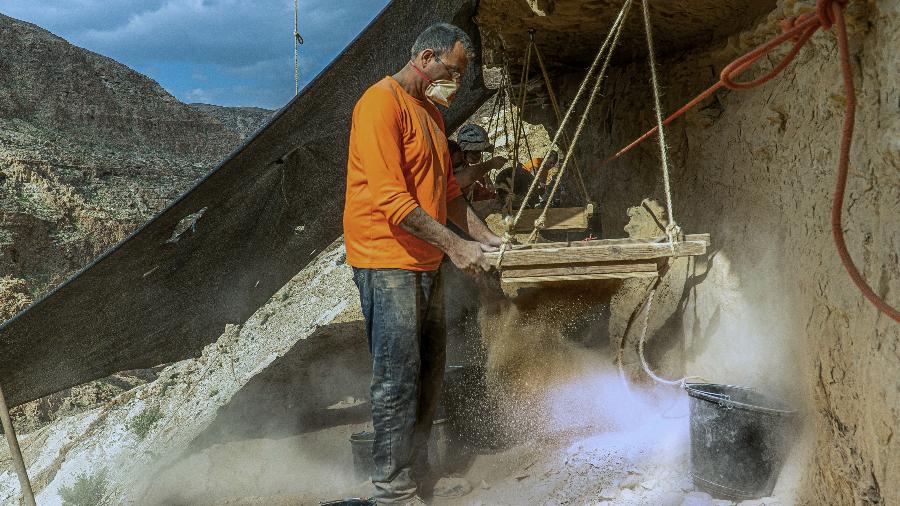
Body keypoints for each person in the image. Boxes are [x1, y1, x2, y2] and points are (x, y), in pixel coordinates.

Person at [343, 22, 502, 505]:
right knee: (396, 378)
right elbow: (393, 201)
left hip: (425, 260)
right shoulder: (380, 104)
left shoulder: (431, 113)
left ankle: (421, 472)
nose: (456, 81)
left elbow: (449, 193)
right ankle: (392, 490)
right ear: (426, 57)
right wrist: (457, 249)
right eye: (453, 70)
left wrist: (487, 237)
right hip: (387, 261)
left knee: (430, 370)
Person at [447, 124, 506, 200]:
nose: (478, 155)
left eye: (480, 151)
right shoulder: (454, 165)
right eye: (475, 151)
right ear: (463, 150)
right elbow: (469, 176)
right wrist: (492, 164)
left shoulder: (478, 174)